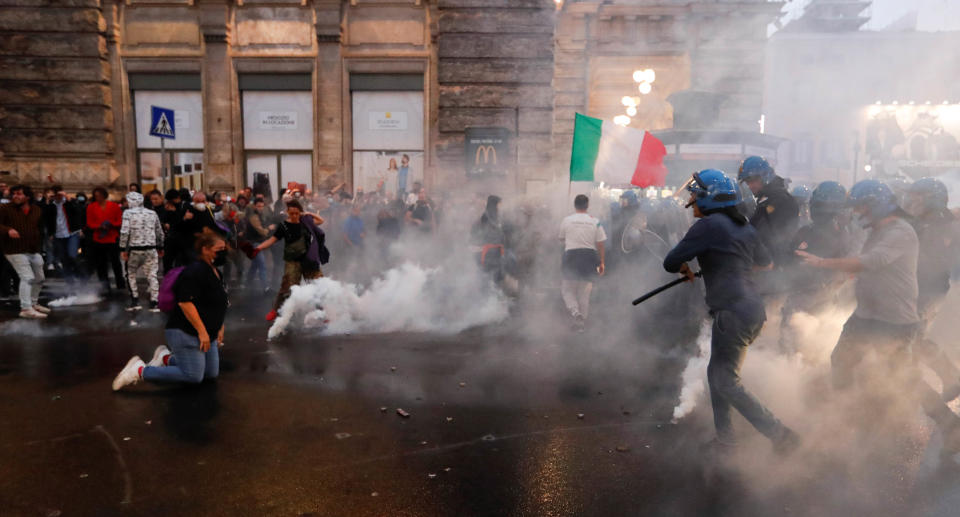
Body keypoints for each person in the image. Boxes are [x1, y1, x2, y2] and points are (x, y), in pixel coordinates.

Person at [797, 179, 960, 452]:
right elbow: (869, 263)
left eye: (862, 207)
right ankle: (850, 418)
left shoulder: (904, 231)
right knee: (842, 360)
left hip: (897, 317)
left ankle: (948, 424)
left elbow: (871, 261)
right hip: (868, 314)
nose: (857, 213)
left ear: (877, 206)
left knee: (904, 378)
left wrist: (822, 263)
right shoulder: (882, 229)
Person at [664, 169, 799, 454]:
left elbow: (671, 261)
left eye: (695, 194)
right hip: (750, 308)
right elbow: (765, 264)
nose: (692, 200)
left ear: (708, 197)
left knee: (726, 381)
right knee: (717, 375)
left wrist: (689, 269)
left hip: (733, 312)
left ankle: (780, 434)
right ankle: (725, 439)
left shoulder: (708, 226)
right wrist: (727, 263)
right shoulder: (745, 226)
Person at [112, 233, 228, 390]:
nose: (223, 252)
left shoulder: (216, 272)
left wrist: (220, 326)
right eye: (219, 249)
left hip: (208, 333)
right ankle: (139, 370)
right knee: (193, 376)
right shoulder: (195, 271)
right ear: (205, 249)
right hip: (186, 332)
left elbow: (218, 303)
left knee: (210, 373)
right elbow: (185, 302)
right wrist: (202, 332)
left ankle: (165, 358)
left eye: (224, 249)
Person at [778, 181, 852, 355]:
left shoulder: (810, 232)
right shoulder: (843, 232)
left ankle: (791, 370)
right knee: (817, 340)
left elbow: (790, 259)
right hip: (828, 292)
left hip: (807, 293)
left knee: (791, 339)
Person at [904, 178, 960, 401]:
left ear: (931, 200)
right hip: (924, 290)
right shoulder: (934, 223)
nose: (912, 202)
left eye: (918, 198)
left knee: (910, 340)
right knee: (915, 338)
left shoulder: (937, 227)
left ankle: (947, 379)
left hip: (925, 290)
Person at [251, 200, 325, 322]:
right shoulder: (284, 226)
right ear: (287, 213)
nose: (295, 216)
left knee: (317, 285)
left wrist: (307, 213)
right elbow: (272, 240)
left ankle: (322, 311)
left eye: (297, 213)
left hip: (308, 260)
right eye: (292, 213)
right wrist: (258, 248)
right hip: (292, 261)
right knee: (286, 287)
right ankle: (275, 310)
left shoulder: (306, 222)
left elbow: (321, 221)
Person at [737, 156, 799, 286]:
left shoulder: (779, 199)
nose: (750, 186)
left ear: (765, 177)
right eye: (747, 182)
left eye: (753, 181)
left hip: (773, 271)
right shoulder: (768, 198)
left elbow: (766, 236)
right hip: (772, 268)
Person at [0, 185, 50, 319]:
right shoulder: (5, 208)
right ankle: (26, 308)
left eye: (19, 194)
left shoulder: (36, 210)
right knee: (27, 277)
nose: (15, 196)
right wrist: (7, 230)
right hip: (13, 249)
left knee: (40, 277)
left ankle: (33, 303)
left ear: (27, 197)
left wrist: (38, 244)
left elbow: (38, 228)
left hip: (32, 249)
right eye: (14, 194)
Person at [558, 194, 606, 330]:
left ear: (574, 205)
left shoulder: (566, 220)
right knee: (584, 292)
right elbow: (601, 243)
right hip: (590, 257)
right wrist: (602, 262)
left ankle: (575, 312)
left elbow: (561, 239)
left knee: (567, 289)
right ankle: (581, 323)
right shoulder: (595, 221)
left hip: (571, 256)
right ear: (587, 206)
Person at [119, 192, 164, 311]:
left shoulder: (128, 213)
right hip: (151, 248)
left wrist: (123, 248)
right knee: (152, 275)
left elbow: (125, 232)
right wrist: (160, 246)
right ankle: (154, 302)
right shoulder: (152, 213)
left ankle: (135, 301)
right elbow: (159, 231)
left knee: (130, 274)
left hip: (135, 249)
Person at [85, 187, 125, 293]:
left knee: (115, 262)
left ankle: (120, 282)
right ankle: (104, 284)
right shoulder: (91, 207)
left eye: (100, 195)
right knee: (101, 263)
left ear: (104, 195)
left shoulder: (114, 206)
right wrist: (99, 226)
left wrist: (112, 224)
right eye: (96, 196)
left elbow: (119, 220)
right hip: (99, 238)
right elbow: (89, 223)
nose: (98, 198)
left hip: (112, 237)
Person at [43, 185, 85, 285]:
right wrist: (47, 201)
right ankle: (70, 282)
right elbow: (45, 217)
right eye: (55, 195)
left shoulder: (68, 203)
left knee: (73, 255)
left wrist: (68, 198)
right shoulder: (50, 205)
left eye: (59, 194)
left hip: (71, 233)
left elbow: (78, 211)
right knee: (63, 258)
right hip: (58, 234)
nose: (57, 197)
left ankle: (81, 275)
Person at [243, 197, 274, 291]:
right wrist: (269, 228)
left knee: (255, 265)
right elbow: (261, 231)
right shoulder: (253, 217)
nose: (260, 208)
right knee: (261, 264)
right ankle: (265, 287)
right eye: (258, 206)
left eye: (262, 206)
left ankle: (248, 284)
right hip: (254, 243)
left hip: (257, 242)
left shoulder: (261, 215)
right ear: (254, 206)